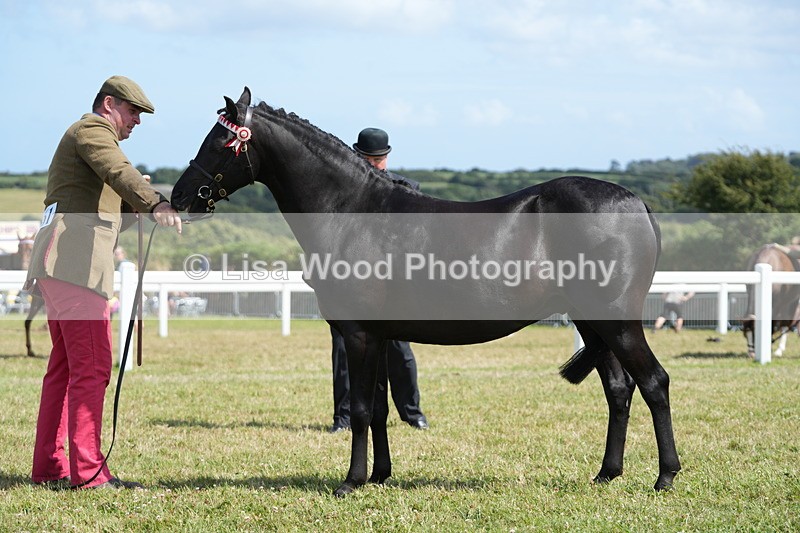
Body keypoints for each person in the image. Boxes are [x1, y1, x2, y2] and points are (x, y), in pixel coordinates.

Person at [25, 75, 182, 490]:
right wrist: (156, 202)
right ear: (109, 104)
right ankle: (90, 473)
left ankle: (50, 466)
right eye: (133, 111)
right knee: (92, 367)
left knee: (65, 369)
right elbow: (118, 170)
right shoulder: (93, 131)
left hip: (62, 264)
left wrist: (136, 205)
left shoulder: (85, 140)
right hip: (76, 267)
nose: (137, 121)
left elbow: (106, 219)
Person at [329, 128, 429, 433]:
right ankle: (344, 418)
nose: (374, 165)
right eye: (368, 159)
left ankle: (412, 413)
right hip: (349, 284)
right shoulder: (339, 192)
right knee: (345, 352)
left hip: (392, 286)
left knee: (400, 351)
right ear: (356, 156)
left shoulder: (406, 189)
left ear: (387, 157)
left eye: (379, 160)